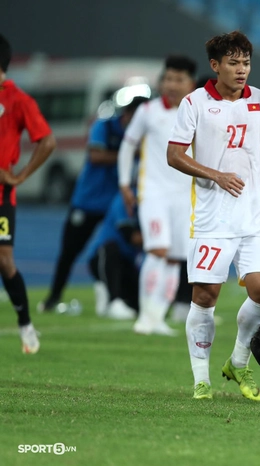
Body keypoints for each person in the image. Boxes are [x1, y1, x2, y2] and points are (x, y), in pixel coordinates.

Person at [166, 31, 260, 401]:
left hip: (252, 219)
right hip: (211, 219)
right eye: (233, 63)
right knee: (205, 296)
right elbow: (174, 154)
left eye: (246, 63)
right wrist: (215, 174)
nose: (241, 70)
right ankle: (201, 378)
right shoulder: (195, 103)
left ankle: (238, 361)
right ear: (215, 65)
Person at [38, 97, 146, 313]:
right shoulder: (105, 126)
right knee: (70, 251)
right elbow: (95, 156)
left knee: (119, 248)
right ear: (128, 114)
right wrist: (130, 152)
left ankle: (117, 294)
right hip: (88, 201)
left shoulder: (142, 136)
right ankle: (54, 297)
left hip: (117, 203)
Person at [117, 56, 197, 336]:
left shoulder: (198, 112)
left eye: (179, 80)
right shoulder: (148, 111)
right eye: (168, 79)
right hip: (153, 193)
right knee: (157, 250)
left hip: (185, 197)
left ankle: (159, 317)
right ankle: (145, 317)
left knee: (175, 258)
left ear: (191, 84)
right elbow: (128, 146)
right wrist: (124, 183)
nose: (172, 85)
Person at [0, 34, 56, 354]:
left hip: (1, 196)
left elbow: (47, 142)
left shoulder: (17, 99)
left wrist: (19, 176)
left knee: (5, 261)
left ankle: (26, 325)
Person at [86, 191, 142, 319]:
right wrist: (159, 239)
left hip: (128, 263)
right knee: (111, 249)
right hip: (103, 258)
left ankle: (113, 297)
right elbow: (130, 235)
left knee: (137, 307)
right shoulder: (124, 199)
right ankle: (113, 299)